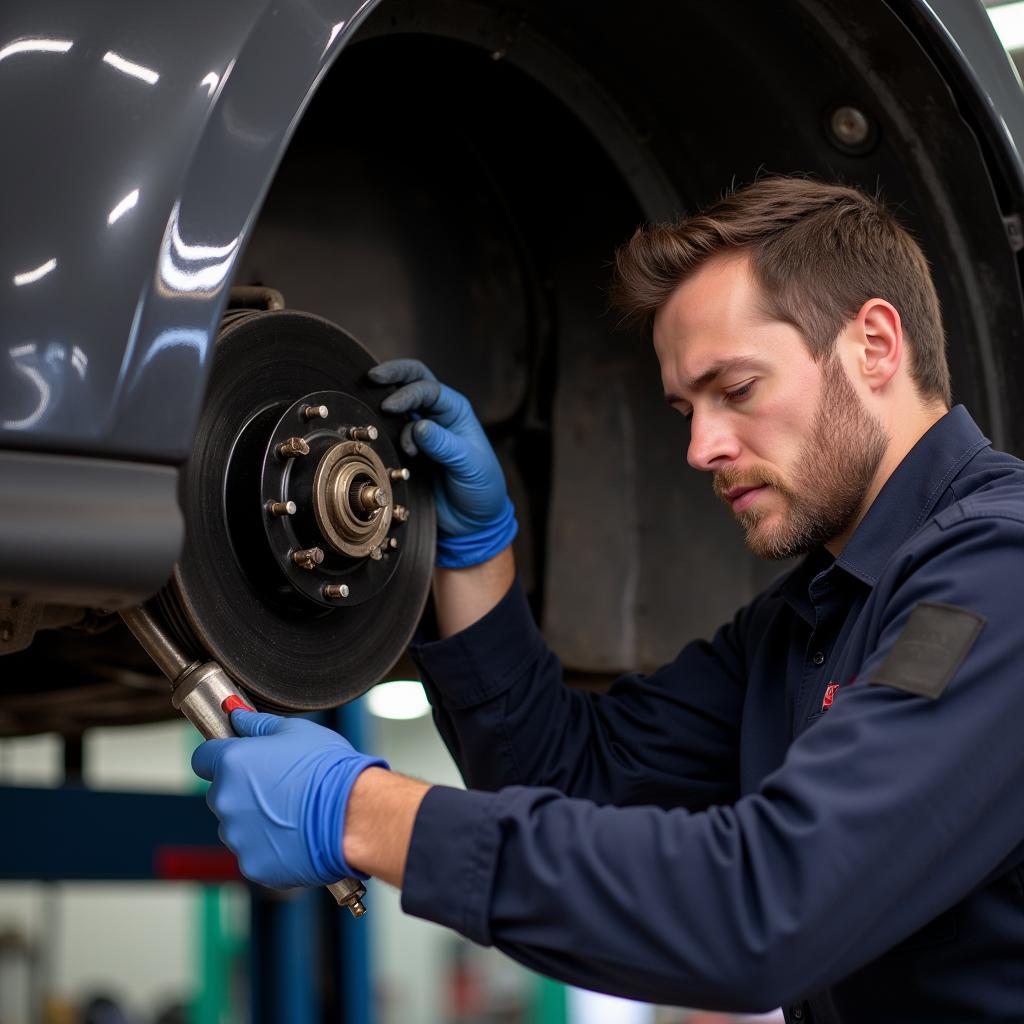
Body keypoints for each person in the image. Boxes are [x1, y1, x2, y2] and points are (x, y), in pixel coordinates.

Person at [192, 177, 1024, 1024]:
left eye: (735, 389)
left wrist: (361, 812)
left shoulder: (1003, 570)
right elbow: (562, 778)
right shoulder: (807, 621)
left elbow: (764, 912)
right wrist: (474, 557)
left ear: (875, 345)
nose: (701, 447)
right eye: (683, 408)